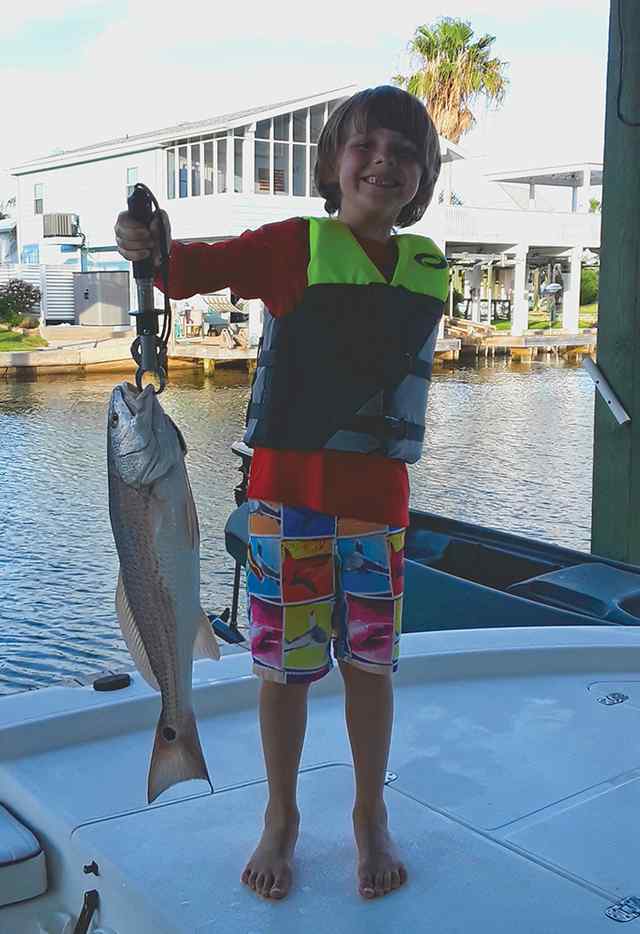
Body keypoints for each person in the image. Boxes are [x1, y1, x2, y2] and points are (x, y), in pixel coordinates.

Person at [115, 85, 448, 903]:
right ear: (334, 162)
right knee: (285, 675)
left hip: (379, 511)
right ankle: (282, 815)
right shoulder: (293, 245)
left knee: (371, 669)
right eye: (365, 145)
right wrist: (146, 247)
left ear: (424, 175)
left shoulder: (430, 264)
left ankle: (370, 812)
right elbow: (189, 269)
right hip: (285, 507)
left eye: (405, 152)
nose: (384, 162)